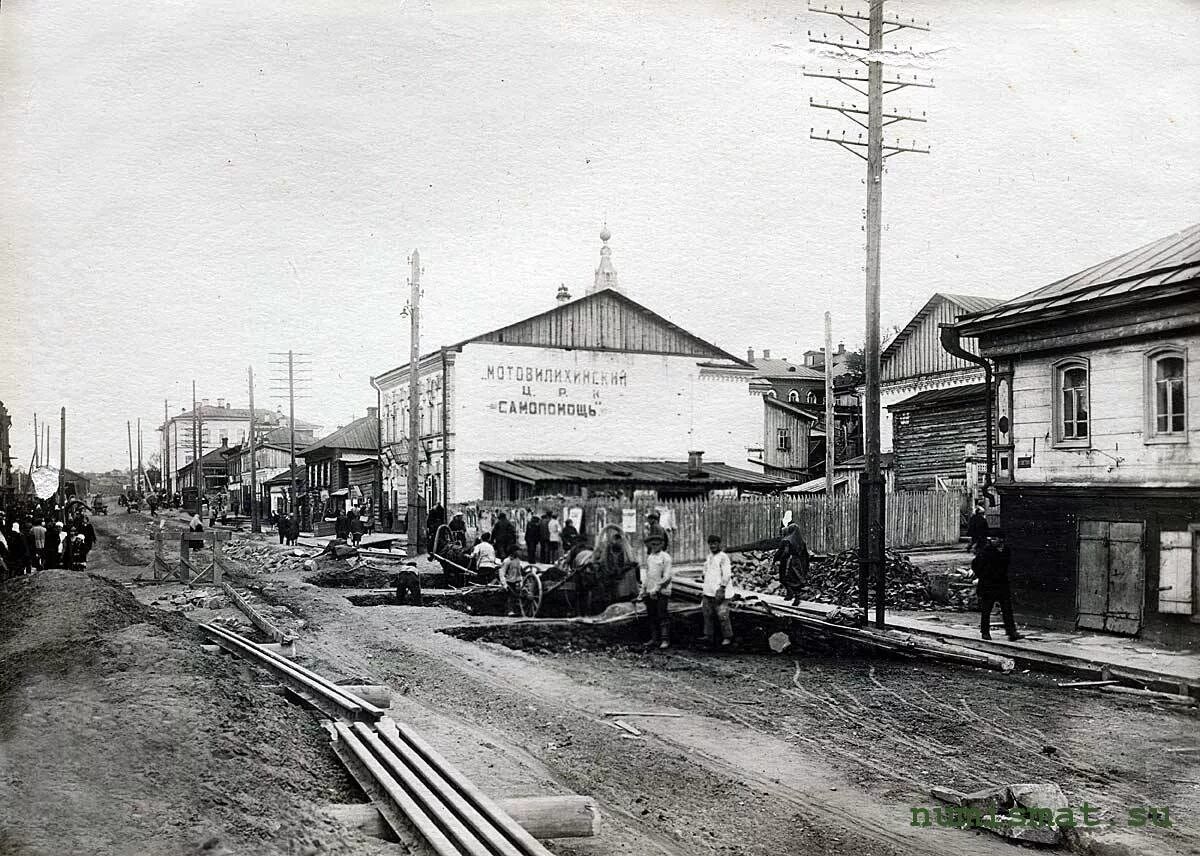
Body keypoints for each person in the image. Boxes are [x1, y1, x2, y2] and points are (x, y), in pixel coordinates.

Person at [973, 530, 1023, 641]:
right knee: (987, 609)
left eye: (995, 538)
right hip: (988, 584)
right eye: (991, 538)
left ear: (1001, 540)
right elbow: (975, 565)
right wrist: (983, 576)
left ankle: (1011, 632)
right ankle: (985, 632)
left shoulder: (1006, 551)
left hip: (1002, 584)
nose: (992, 540)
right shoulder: (986, 551)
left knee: (1007, 609)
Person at [640, 533, 673, 649]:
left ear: (662, 544)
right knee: (652, 615)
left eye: (657, 544)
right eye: (652, 544)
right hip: (650, 591)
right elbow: (647, 575)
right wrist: (643, 589)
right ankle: (654, 639)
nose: (654, 546)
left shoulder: (666, 557)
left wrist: (657, 588)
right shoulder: (650, 558)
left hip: (662, 591)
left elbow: (667, 576)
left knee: (662, 615)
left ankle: (665, 640)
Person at [702, 535, 734, 649]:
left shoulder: (723, 557)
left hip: (721, 591)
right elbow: (705, 570)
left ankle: (727, 637)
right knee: (707, 613)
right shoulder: (709, 557)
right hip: (709, 591)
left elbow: (727, 574)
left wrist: (722, 588)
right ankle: (709, 636)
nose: (713, 546)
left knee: (722, 614)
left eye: (715, 543)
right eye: (710, 543)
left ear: (719, 544)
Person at [773, 524, 811, 605]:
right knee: (796, 579)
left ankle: (795, 596)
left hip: (789, 562)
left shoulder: (787, 540)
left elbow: (785, 552)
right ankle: (791, 595)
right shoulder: (801, 541)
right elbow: (805, 554)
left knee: (786, 578)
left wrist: (777, 559)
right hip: (799, 562)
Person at [500, 546, 525, 616]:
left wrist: (521, 581)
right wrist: (504, 584)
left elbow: (519, 572)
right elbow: (502, 573)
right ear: (513, 552)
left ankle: (516, 610)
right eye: (517, 551)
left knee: (517, 597)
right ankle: (509, 611)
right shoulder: (507, 561)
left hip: (516, 581)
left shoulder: (517, 560)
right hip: (509, 581)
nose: (519, 552)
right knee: (510, 597)